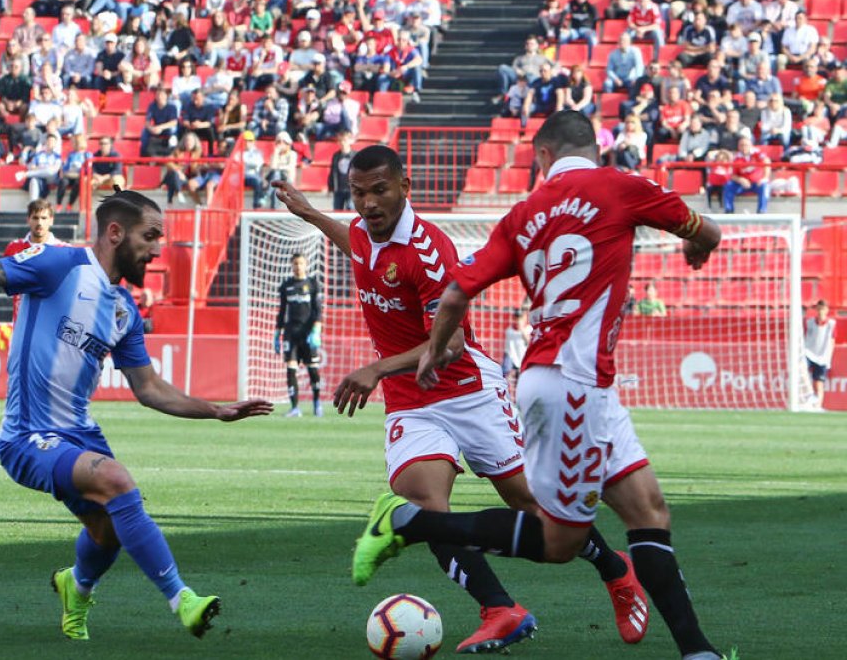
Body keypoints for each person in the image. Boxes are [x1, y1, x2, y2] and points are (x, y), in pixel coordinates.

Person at [348, 110, 725, 660]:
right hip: (572, 380)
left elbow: (453, 296)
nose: (367, 204)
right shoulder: (623, 186)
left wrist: (432, 351)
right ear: (594, 149)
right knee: (557, 537)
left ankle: (696, 649)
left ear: (542, 157)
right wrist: (699, 244)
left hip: (561, 382)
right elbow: (706, 229)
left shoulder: (524, 213)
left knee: (646, 511)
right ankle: (415, 525)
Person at [271, 144, 649, 654]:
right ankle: (500, 609)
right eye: (358, 193)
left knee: (534, 509)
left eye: (379, 190)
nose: (367, 204)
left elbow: (448, 346)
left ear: (405, 187)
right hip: (411, 400)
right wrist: (312, 214)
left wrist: (376, 368)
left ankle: (615, 569)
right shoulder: (365, 232)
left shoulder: (430, 252)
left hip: (469, 391)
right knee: (423, 503)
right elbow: (356, 244)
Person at [0, 189, 273, 641]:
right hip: (27, 436)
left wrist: (217, 411)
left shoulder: (123, 310)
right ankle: (183, 600)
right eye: (151, 235)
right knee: (118, 482)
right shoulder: (59, 264)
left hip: (80, 434)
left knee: (107, 531)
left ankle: (75, 586)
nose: (158, 249)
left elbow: (150, 388)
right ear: (115, 232)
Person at [275, 253, 324, 418]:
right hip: (291, 333)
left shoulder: (313, 284)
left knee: (313, 370)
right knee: (290, 369)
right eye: (295, 264)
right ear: (292, 266)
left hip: (308, 333)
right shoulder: (286, 286)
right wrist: (277, 332)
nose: (298, 267)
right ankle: (295, 407)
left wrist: (316, 330)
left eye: (301, 263)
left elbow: (317, 310)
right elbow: (282, 311)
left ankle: (317, 403)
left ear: (306, 265)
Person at [722, 135, 769, 214]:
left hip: (757, 183)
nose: (744, 147)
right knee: (728, 185)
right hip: (742, 184)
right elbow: (732, 175)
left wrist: (764, 178)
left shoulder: (757, 153)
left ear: (750, 145)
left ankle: (762, 211)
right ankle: (729, 210)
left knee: (765, 186)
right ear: (738, 147)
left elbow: (767, 163)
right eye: (741, 145)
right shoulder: (736, 158)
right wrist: (740, 180)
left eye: (746, 145)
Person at [804, 300, 835, 411]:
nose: (821, 311)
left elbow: (832, 341)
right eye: (819, 309)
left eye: (823, 309)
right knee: (802, 371)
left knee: (819, 382)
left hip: (822, 357)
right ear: (816, 310)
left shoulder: (831, 324)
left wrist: (829, 358)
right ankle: (808, 396)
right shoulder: (810, 322)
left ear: (827, 311)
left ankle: (818, 405)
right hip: (809, 353)